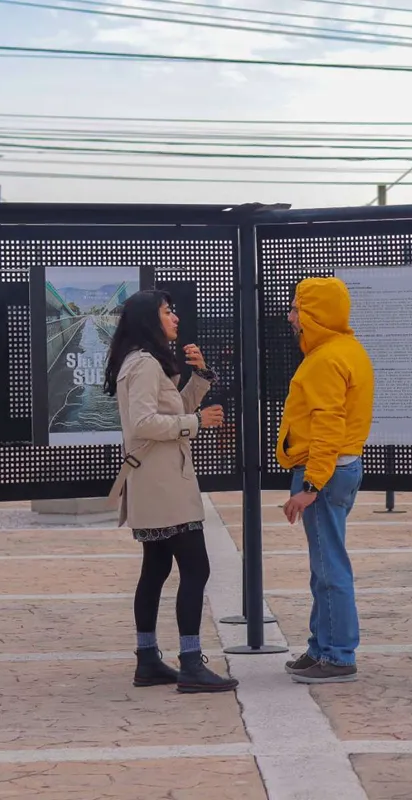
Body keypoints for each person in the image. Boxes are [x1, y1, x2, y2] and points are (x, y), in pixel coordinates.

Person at [103, 289, 239, 694]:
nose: (175, 318)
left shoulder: (143, 363)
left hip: (157, 481)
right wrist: (198, 422)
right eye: (167, 312)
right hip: (163, 483)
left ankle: (148, 661)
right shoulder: (144, 364)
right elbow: (145, 423)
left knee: (158, 569)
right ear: (150, 319)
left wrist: (200, 379)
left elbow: (169, 410)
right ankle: (191, 663)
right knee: (196, 568)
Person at [275, 277, 374, 684]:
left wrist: (310, 487)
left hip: (325, 474)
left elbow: (327, 425)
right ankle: (321, 647)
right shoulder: (347, 351)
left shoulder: (324, 360)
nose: (291, 317)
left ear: (315, 314)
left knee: (329, 566)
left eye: (298, 309)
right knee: (324, 565)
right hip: (342, 468)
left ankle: (337, 655)